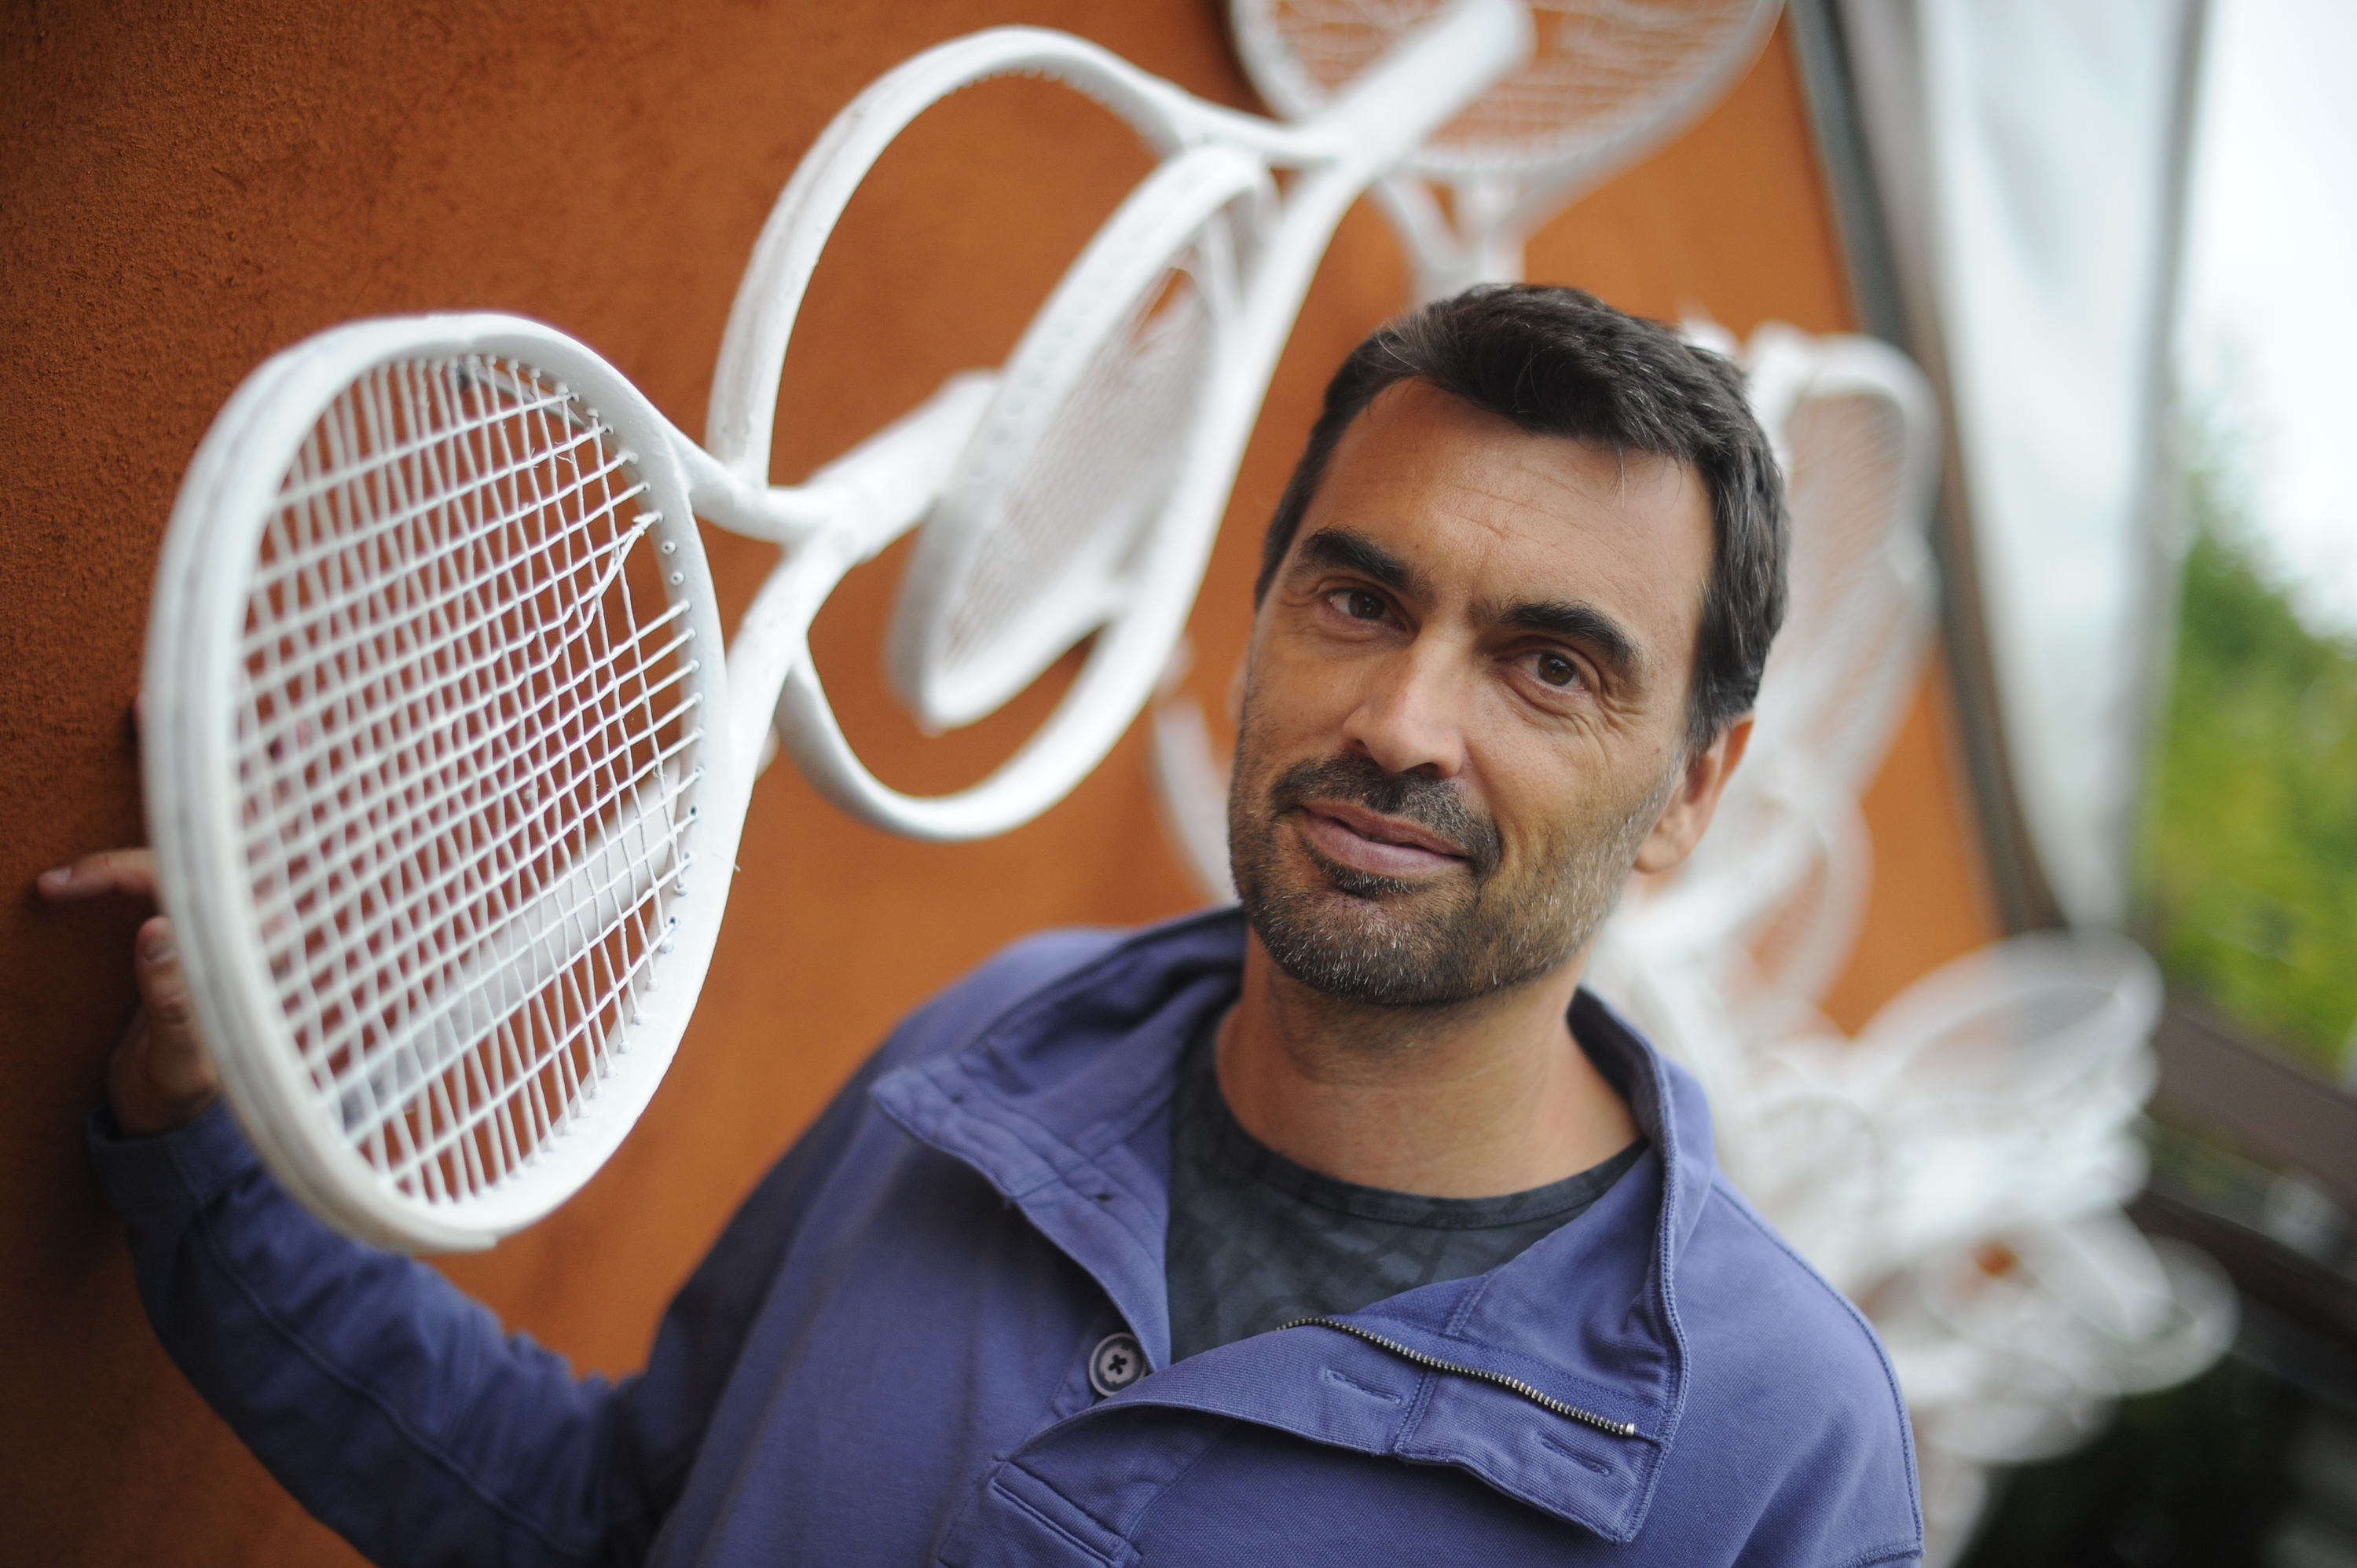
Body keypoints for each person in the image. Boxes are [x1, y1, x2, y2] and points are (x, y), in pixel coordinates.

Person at [42, 284, 1922, 1566]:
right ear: (1258, 618)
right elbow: (608, 1517)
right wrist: (215, 1131)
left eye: (1549, 665)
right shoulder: (1005, 1036)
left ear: (1687, 785)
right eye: (1361, 599)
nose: (1409, 724)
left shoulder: (1778, 1440)